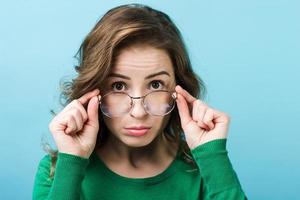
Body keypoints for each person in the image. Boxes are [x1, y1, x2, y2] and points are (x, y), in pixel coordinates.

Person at [33, 4, 247, 200]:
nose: (138, 112)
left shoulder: (205, 169)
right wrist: (71, 163)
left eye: (155, 85)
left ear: (179, 89)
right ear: (93, 91)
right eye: (118, 86)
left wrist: (213, 157)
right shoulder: (56, 171)